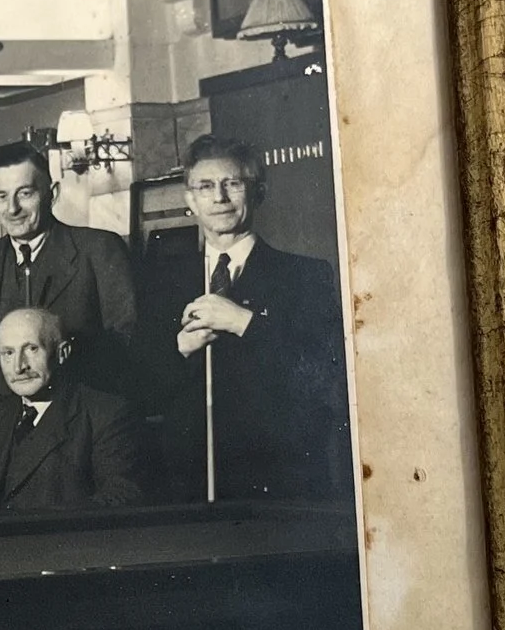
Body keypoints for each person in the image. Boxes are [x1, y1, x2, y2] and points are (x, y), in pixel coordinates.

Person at [133, 134, 351, 504]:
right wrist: (179, 348)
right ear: (190, 200)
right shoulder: (159, 281)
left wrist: (244, 322)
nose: (219, 198)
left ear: (258, 192)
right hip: (187, 484)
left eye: (232, 184)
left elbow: (321, 375)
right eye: (205, 186)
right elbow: (139, 390)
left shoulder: (304, 275)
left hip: (277, 481)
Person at [0, 142, 136, 446]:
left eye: (25, 193)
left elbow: (125, 348)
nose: (12, 209)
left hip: (75, 437)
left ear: (52, 192)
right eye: (1, 197)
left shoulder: (98, 250)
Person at [0, 307, 149, 518]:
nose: (19, 367)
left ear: (62, 353)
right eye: (8, 353)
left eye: (32, 349)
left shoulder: (106, 414)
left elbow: (121, 498)